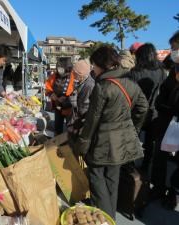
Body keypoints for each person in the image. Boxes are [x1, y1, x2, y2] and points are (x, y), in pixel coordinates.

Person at [74, 46, 148, 219]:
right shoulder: (131, 82)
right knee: (112, 180)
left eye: (94, 65)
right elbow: (143, 108)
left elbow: (92, 120)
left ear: (102, 65)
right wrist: (133, 127)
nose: (93, 69)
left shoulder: (103, 86)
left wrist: (82, 145)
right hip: (122, 141)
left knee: (97, 178)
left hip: (103, 142)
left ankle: (106, 218)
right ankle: (110, 216)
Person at [129, 43, 167, 173]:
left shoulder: (135, 72)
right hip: (154, 111)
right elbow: (163, 91)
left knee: (133, 139)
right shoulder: (161, 71)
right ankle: (145, 166)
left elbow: (130, 94)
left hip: (137, 112)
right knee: (150, 142)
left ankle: (130, 166)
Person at [151, 31, 179, 200]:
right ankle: (159, 188)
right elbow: (164, 94)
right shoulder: (173, 70)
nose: (172, 51)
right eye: (172, 48)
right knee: (160, 156)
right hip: (166, 121)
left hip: (173, 120)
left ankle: (173, 191)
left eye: (175, 48)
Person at [67, 59, 95, 150]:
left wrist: (76, 127)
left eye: (75, 74)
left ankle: (80, 164)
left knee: (79, 151)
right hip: (76, 122)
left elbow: (84, 108)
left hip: (81, 125)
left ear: (81, 74)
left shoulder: (89, 85)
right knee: (74, 149)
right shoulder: (81, 82)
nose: (73, 75)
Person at [45, 58, 75, 135]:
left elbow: (77, 90)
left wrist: (67, 98)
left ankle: (69, 143)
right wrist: (51, 94)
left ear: (67, 68)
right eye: (58, 68)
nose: (59, 70)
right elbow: (47, 86)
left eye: (61, 68)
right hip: (57, 106)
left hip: (69, 107)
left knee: (70, 127)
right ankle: (57, 142)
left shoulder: (73, 77)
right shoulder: (53, 76)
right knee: (58, 127)